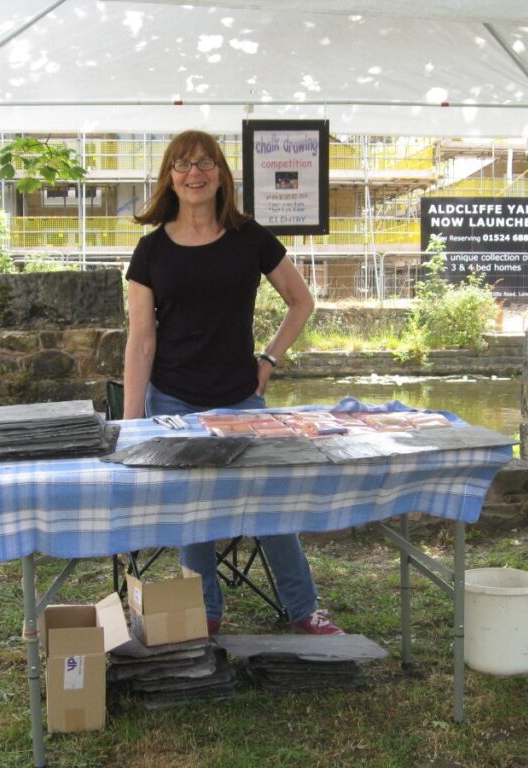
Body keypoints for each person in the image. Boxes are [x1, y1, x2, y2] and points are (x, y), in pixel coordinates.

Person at [122, 130, 343, 636]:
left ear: (220, 173)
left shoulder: (250, 238)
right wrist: (132, 423)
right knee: (193, 511)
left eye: (204, 163)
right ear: (169, 179)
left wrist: (270, 356)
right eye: (182, 165)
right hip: (173, 400)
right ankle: (205, 613)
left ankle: (303, 609)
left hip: (242, 397)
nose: (194, 173)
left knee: (271, 502)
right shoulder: (150, 250)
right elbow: (140, 342)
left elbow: (301, 301)